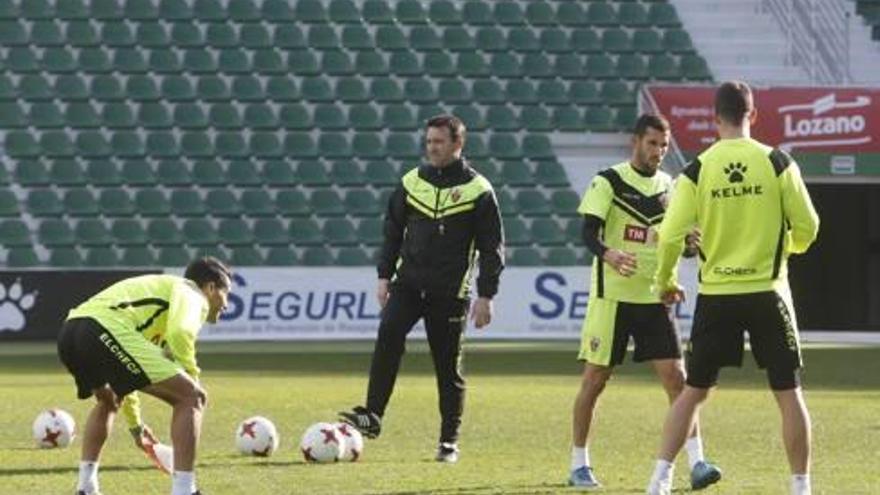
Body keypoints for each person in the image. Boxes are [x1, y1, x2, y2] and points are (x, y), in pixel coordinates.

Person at [645, 81, 819, 495]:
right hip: (768, 292)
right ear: (753, 115)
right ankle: (801, 487)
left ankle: (660, 480)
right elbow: (809, 227)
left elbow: (670, 235)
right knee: (788, 392)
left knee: (693, 393)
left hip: (718, 294)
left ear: (713, 118)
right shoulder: (778, 163)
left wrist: (665, 280)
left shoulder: (697, 170)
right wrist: (785, 249)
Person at [568, 114, 722, 490]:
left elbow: (678, 244)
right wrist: (609, 254)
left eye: (664, 145)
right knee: (595, 380)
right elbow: (587, 232)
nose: (658, 151)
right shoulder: (610, 180)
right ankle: (578, 464)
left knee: (678, 380)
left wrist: (689, 245)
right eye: (652, 143)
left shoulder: (671, 186)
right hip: (613, 298)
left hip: (655, 297)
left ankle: (698, 462)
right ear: (635, 142)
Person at [339, 114, 504, 463]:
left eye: (439, 142)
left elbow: (492, 248)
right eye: (428, 141)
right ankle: (373, 414)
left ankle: (448, 441)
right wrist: (384, 276)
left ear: (458, 145)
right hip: (408, 284)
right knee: (388, 334)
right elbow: (392, 233)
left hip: (450, 293)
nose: (432, 147)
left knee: (447, 369)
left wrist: (487, 295)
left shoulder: (479, 191)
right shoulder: (412, 182)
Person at [57, 257, 232, 495]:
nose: (226, 304)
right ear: (210, 287)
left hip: (71, 331)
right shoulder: (192, 293)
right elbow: (180, 332)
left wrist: (136, 427)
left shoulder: (158, 305)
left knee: (109, 400)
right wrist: (192, 376)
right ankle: (184, 490)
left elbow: (125, 378)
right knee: (192, 397)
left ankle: (86, 487)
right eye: (226, 293)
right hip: (104, 328)